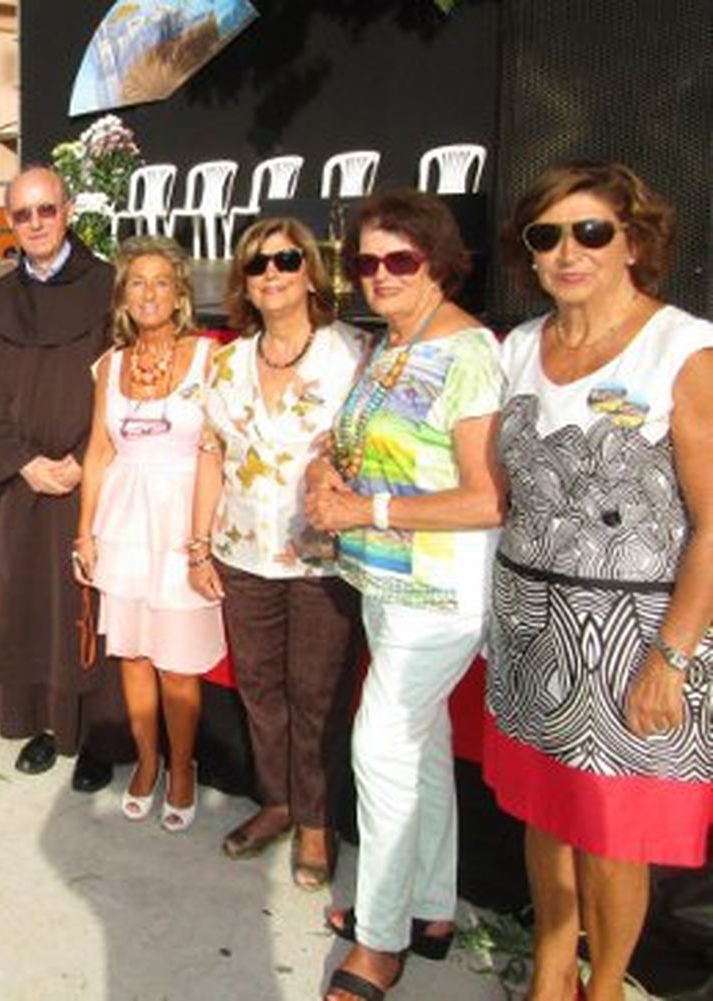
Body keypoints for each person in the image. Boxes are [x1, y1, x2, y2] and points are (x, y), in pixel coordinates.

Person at [487, 161, 713, 1001]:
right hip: (527, 623)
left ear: (633, 242)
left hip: (632, 638)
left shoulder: (682, 348)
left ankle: (606, 982)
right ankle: (553, 967)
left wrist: (674, 656)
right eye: (547, 236)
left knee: (614, 832)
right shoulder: (518, 348)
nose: (568, 251)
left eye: (591, 231)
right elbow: (501, 490)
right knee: (547, 814)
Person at [305, 190, 504, 1001]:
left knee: (381, 746)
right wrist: (326, 469)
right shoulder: (389, 344)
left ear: (439, 262)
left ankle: (380, 942)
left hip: (439, 590)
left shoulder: (469, 352)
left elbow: (488, 496)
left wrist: (366, 509)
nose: (379, 275)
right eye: (366, 261)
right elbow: (354, 436)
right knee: (416, 744)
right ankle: (430, 907)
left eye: (400, 260)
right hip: (381, 581)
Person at [189, 218, 364, 886]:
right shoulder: (228, 360)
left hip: (321, 559)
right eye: (258, 264)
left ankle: (318, 824)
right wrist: (199, 544)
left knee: (316, 695)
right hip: (242, 553)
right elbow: (211, 457)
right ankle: (278, 802)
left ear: (311, 272)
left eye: (287, 259)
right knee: (260, 689)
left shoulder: (353, 353)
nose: (272, 273)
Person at [0, 165, 132, 792]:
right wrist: (24, 463)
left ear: (67, 211)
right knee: (33, 602)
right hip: (26, 483)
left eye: (46, 210)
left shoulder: (108, 288)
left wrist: (85, 456)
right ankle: (44, 725)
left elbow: (125, 379)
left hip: (94, 473)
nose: (35, 223)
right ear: (9, 222)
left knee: (91, 607)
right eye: (22, 214)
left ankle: (97, 736)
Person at [73, 235, 223, 830]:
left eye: (162, 281)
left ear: (181, 292)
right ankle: (147, 760)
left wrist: (202, 539)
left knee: (178, 662)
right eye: (138, 282)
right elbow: (96, 453)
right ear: (123, 295)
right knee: (133, 653)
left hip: (184, 522)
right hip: (123, 522)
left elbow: (218, 450)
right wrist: (84, 535)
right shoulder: (110, 364)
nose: (150, 293)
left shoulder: (212, 358)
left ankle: (183, 769)